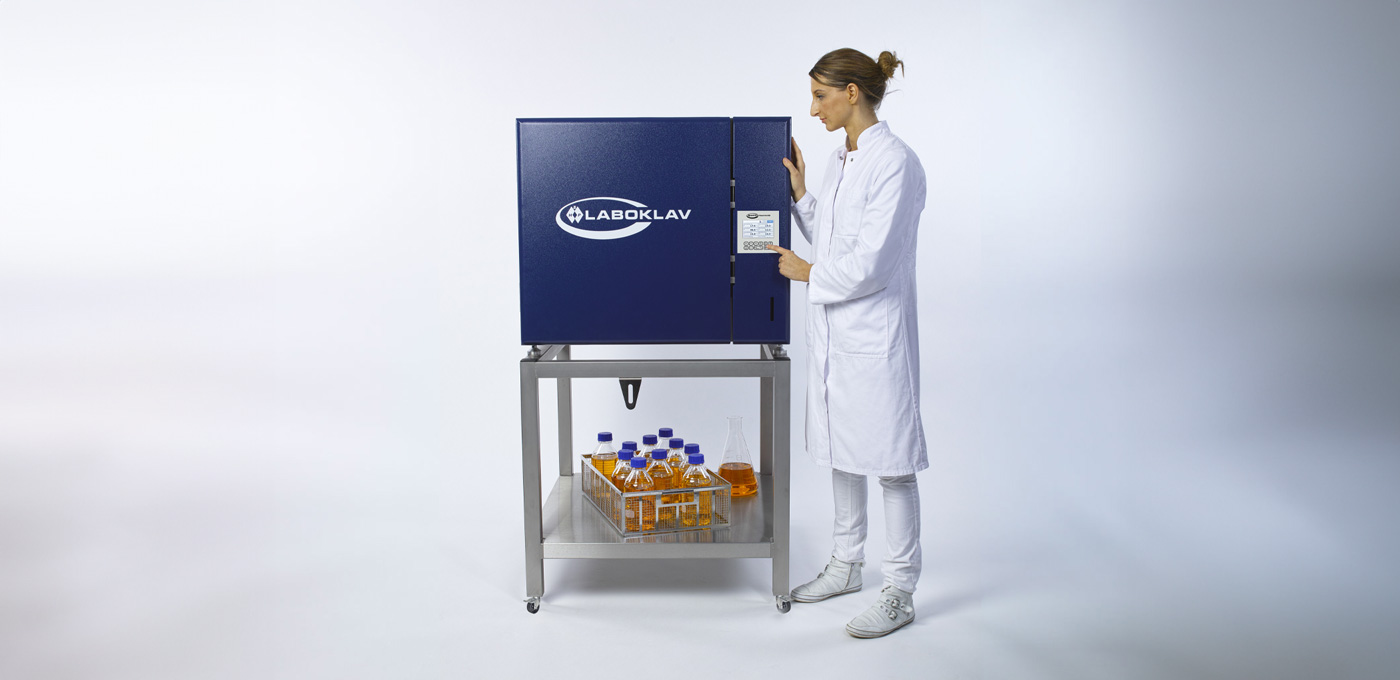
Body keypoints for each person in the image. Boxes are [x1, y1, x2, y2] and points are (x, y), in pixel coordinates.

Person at [768, 47, 928, 639]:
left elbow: (874, 263)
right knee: (841, 450)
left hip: (875, 337)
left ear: (852, 93)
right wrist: (804, 195)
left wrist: (808, 273)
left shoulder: (897, 163)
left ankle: (900, 589)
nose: (813, 109)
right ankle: (846, 563)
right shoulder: (844, 159)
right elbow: (836, 240)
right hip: (837, 337)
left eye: (819, 96)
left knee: (891, 463)